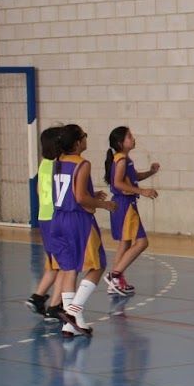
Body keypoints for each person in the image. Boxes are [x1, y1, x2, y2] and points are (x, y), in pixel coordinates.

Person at [51, 124, 117, 338]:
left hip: (58, 218)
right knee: (98, 265)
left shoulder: (58, 161)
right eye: (84, 136)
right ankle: (73, 311)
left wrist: (92, 194)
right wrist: (104, 205)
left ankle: (70, 325)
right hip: (77, 220)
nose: (86, 139)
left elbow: (72, 192)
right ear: (78, 142)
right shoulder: (83, 163)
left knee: (70, 268)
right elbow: (79, 198)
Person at [104, 126, 160, 296]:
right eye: (129, 136)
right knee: (142, 242)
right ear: (121, 142)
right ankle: (115, 274)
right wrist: (143, 191)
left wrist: (151, 172)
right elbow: (118, 183)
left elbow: (134, 177)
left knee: (125, 242)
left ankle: (115, 283)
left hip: (122, 204)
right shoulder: (121, 160)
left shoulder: (123, 159)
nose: (133, 138)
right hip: (125, 205)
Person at [25, 125, 65, 321]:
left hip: (44, 216)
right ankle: (55, 306)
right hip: (56, 218)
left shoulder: (44, 164)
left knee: (53, 264)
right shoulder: (60, 166)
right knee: (65, 265)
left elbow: (40, 192)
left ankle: (38, 297)